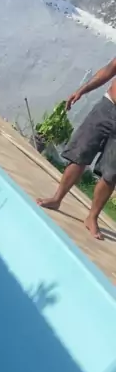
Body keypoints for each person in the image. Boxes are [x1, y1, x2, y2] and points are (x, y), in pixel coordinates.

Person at [37, 58, 116, 240]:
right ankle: (57, 199)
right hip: (107, 108)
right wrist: (82, 90)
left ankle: (92, 218)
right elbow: (109, 70)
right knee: (80, 153)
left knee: (111, 173)